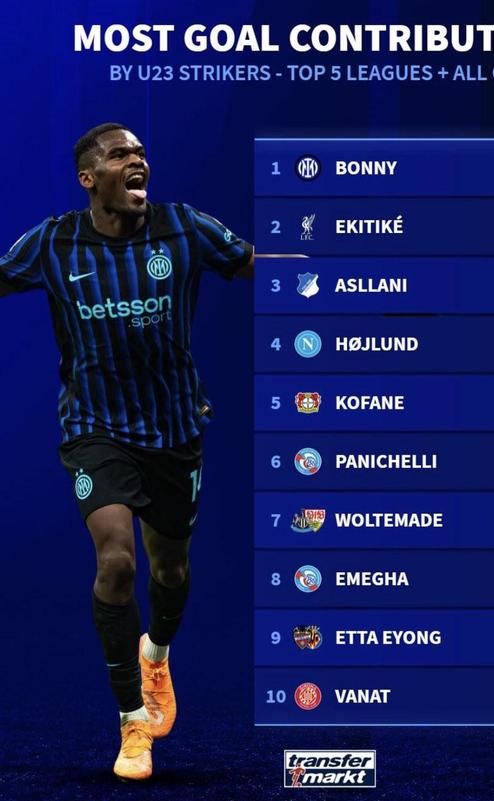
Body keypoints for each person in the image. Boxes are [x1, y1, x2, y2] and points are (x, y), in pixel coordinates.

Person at [0, 122, 254, 781]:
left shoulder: (184, 227)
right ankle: (133, 723)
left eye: (141, 154)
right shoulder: (54, 242)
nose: (138, 161)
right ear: (90, 178)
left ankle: (156, 655)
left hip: (174, 429)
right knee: (116, 561)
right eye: (121, 155)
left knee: (170, 570)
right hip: (95, 428)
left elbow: (255, 263)